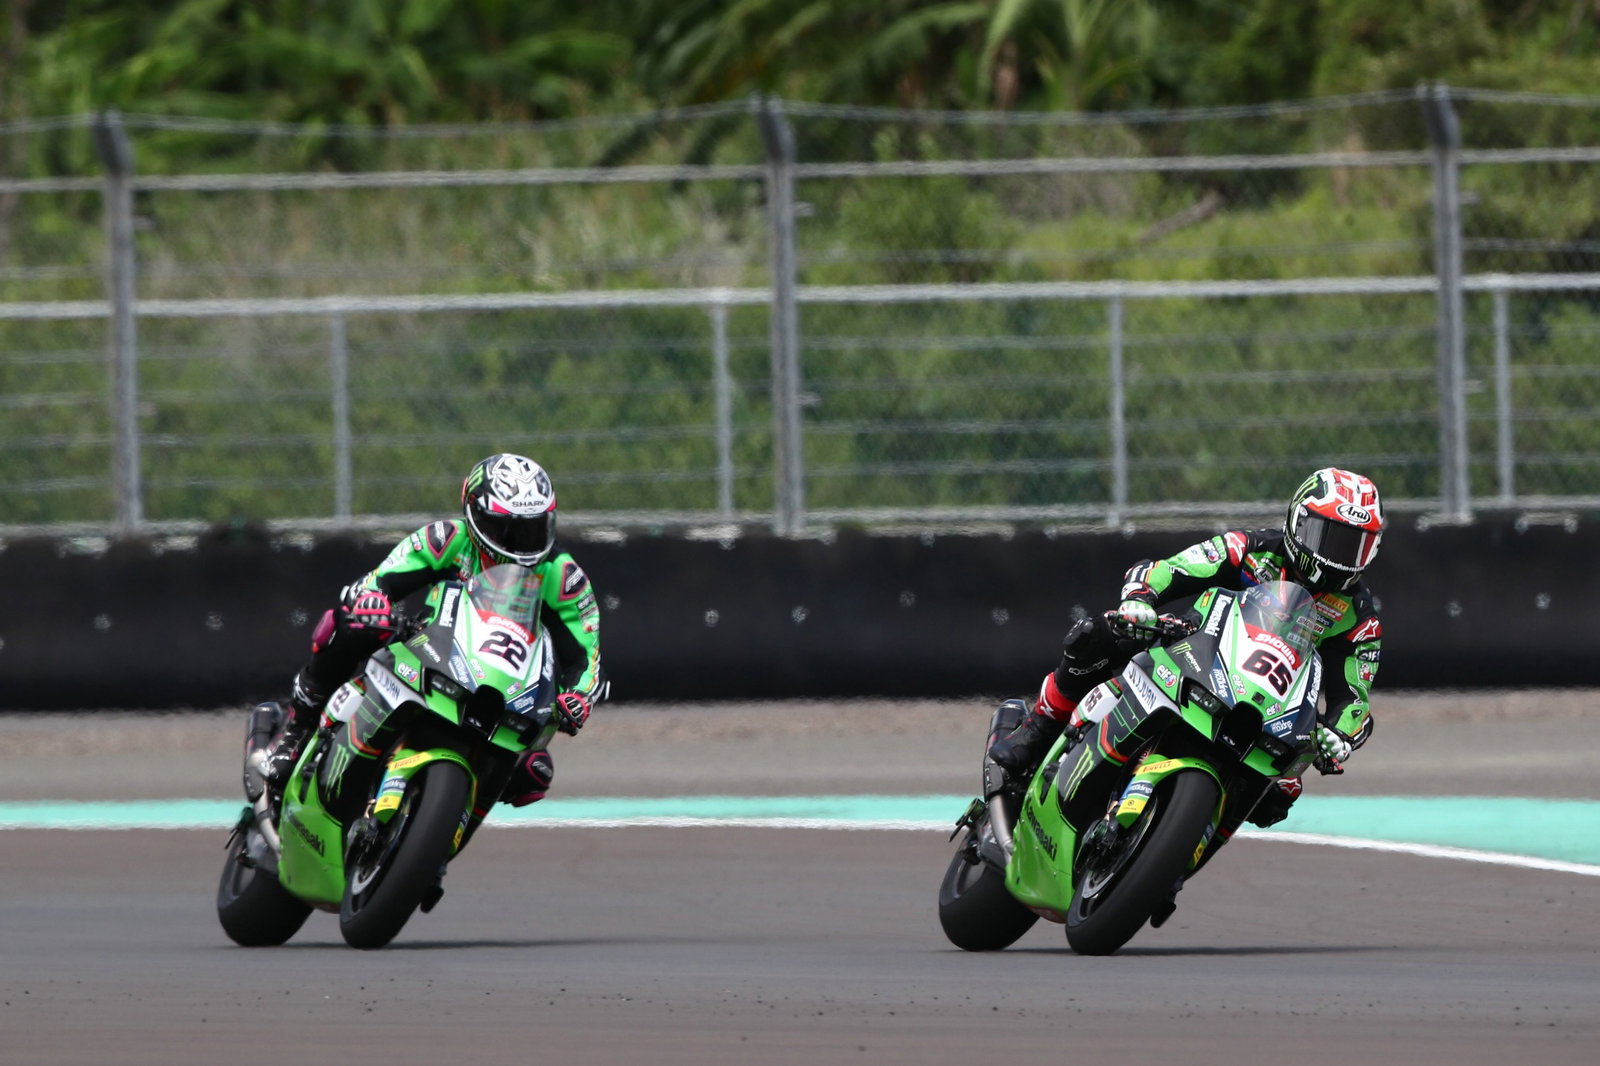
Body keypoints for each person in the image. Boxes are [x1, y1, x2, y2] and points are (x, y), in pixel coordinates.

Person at [988, 467, 1384, 827]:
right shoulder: (1250, 548)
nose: (1336, 558)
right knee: (1097, 637)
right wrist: (1140, 600)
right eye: (1327, 538)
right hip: (1197, 653)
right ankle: (1039, 728)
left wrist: (1339, 735)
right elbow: (1177, 568)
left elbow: (1354, 697)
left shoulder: (1359, 619)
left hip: (1268, 712)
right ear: (1298, 523)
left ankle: (1178, 858)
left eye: (1353, 547)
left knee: (1277, 799)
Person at [254, 453, 605, 807]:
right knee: (353, 623)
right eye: (508, 530)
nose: (521, 544)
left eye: (533, 529)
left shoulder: (563, 577)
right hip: (431, 650)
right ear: (476, 515)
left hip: (503, 687)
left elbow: (586, 653)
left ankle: (445, 832)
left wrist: (579, 695)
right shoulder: (447, 538)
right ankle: (297, 728)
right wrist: (373, 601)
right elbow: (379, 580)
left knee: (534, 771)